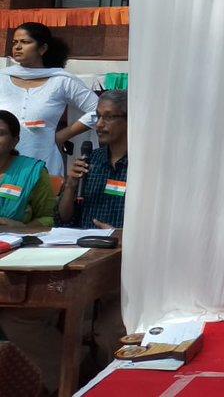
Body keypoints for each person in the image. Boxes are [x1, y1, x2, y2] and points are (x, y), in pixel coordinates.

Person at [0, 89, 128, 394]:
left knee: (109, 333)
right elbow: (64, 220)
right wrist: (70, 186)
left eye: (109, 117)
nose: (100, 124)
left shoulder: (147, 166)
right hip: (75, 260)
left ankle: (111, 387)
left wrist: (124, 232)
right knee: (17, 316)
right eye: (98, 116)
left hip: (120, 264)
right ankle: (71, 378)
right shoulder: (91, 161)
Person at [0, 23, 98, 176]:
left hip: (44, 161)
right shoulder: (2, 77)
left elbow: (99, 110)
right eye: (15, 42)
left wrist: (62, 135)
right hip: (4, 162)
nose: (18, 47)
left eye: (25, 42)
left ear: (42, 48)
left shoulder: (61, 80)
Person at [0, 110, 56, 230]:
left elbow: (49, 217)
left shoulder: (32, 172)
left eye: (0, 133)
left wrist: (23, 228)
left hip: (16, 244)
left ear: (15, 141)